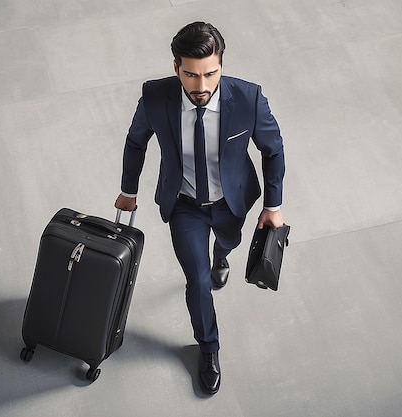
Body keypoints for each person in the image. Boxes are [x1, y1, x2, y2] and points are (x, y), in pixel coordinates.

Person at [114, 21, 285, 395]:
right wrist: (129, 190)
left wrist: (273, 205)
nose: (202, 86)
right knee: (197, 281)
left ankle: (221, 257)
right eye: (191, 75)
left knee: (228, 244)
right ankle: (208, 348)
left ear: (222, 64)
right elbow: (135, 140)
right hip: (185, 206)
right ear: (176, 68)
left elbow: (272, 149)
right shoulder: (155, 97)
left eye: (211, 73)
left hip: (230, 203)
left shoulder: (249, 98)